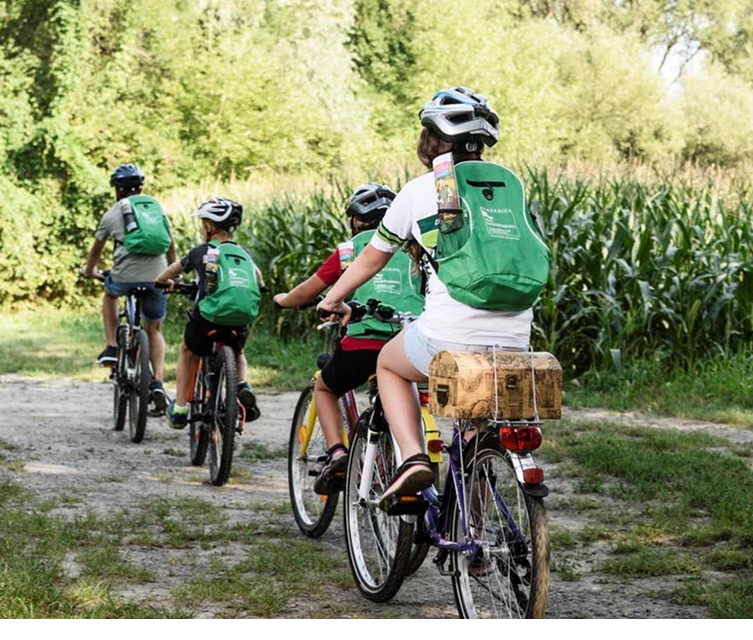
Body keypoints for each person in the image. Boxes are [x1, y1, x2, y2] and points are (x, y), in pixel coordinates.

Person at [318, 86, 540, 502]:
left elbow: (370, 259)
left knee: (389, 365)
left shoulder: (422, 190)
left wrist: (333, 298)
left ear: (432, 139)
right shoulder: (510, 187)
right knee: (476, 432)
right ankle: (475, 549)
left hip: (448, 334)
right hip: (515, 336)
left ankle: (414, 459)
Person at [274, 183, 424, 493]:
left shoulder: (350, 250)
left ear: (355, 220)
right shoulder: (414, 248)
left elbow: (307, 291)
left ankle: (338, 453)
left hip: (364, 346)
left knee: (325, 386)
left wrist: (283, 299)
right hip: (413, 342)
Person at [155, 198, 264, 430]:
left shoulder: (200, 252)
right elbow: (259, 279)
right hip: (240, 319)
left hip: (207, 319)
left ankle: (181, 408)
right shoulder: (242, 253)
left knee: (187, 350)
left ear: (208, 227)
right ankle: (243, 385)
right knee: (237, 349)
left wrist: (164, 282)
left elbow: (171, 272)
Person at [81, 163, 175, 416]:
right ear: (140, 188)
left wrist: (90, 271)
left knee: (111, 293)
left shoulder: (112, 214)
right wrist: (170, 275)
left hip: (124, 277)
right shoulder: (156, 210)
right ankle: (157, 381)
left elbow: (96, 251)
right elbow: (171, 247)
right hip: (158, 276)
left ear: (117, 190)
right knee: (153, 329)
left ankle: (112, 346)